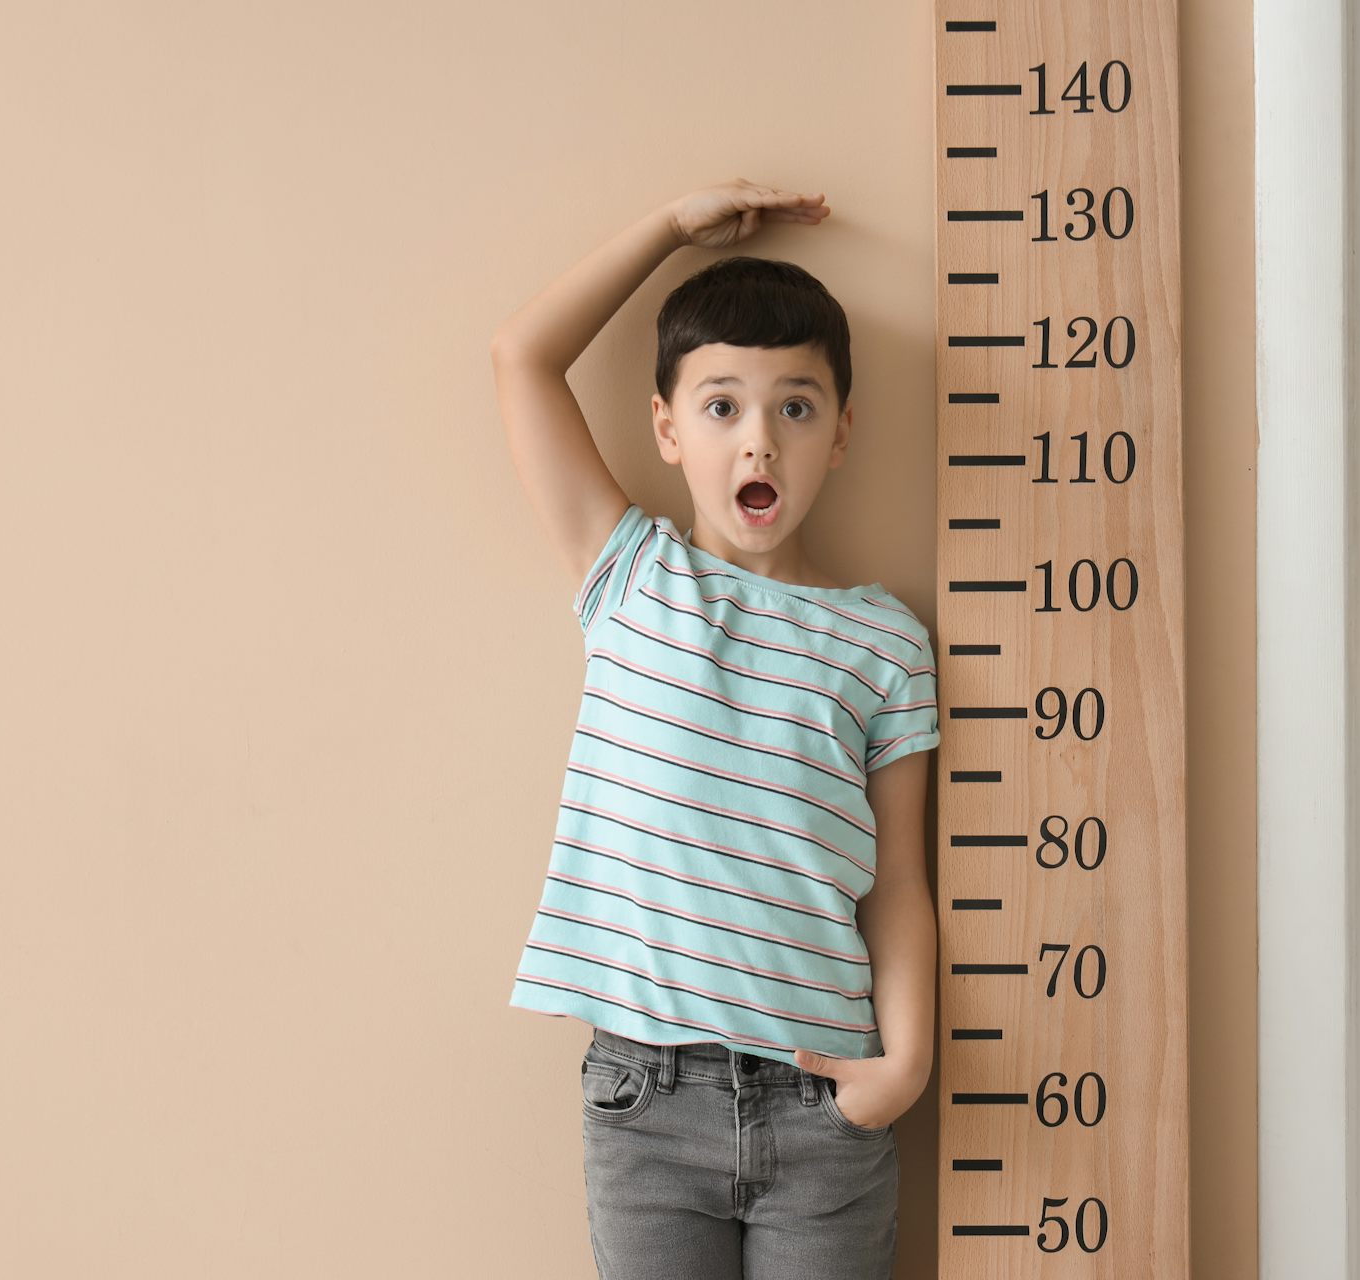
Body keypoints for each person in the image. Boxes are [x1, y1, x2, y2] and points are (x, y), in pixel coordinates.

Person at [488, 179, 940, 1279]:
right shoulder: (631, 576)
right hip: (647, 1102)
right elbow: (522, 357)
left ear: (842, 433)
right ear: (667, 427)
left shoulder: (885, 642)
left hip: (825, 1107)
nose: (760, 443)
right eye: (722, 406)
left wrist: (905, 1065)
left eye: (797, 408)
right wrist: (667, 227)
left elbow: (896, 880)